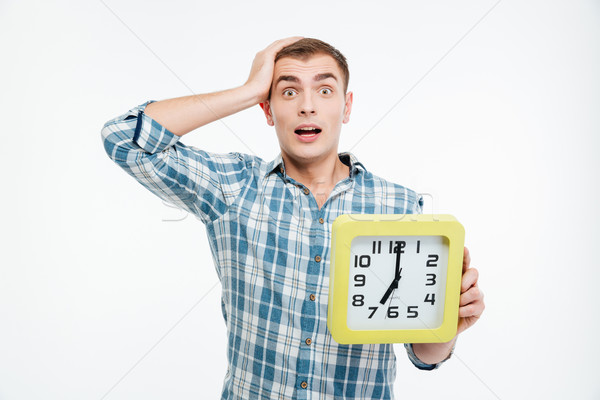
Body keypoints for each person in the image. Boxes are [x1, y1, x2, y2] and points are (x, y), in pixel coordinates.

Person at [101, 37, 485, 399]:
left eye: (324, 89)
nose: (307, 105)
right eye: (288, 91)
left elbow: (424, 352)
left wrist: (447, 328)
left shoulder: (399, 205)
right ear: (268, 110)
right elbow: (123, 139)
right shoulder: (233, 188)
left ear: (346, 106)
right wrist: (249, 90)